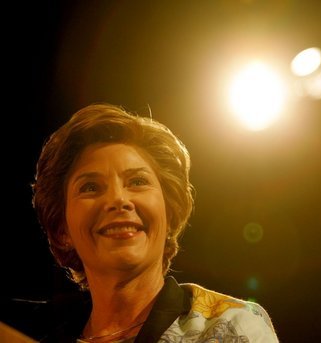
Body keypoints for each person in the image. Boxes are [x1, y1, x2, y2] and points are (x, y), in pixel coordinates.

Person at [31, 102, 279, 342]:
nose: (118, 199)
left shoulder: (231, 326)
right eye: (91, 187)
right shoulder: (37, 333)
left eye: (137, 182)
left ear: (169, 212)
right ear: (62, 229)